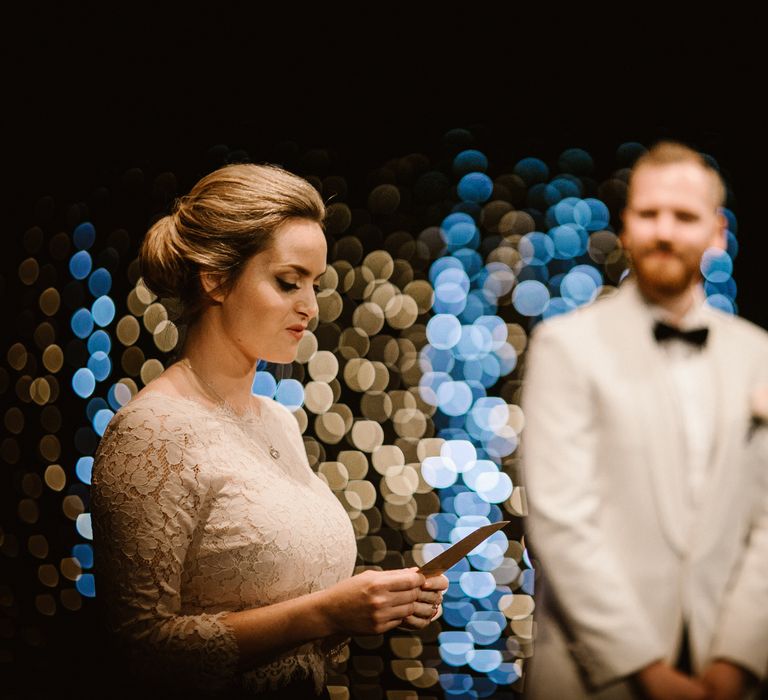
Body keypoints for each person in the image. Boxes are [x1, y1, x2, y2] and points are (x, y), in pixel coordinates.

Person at [90, 163, 448, 699]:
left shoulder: (277, 419)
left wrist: (377, 603)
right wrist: (326, 611)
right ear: (214, 278)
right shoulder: (152, 433)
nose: (309, 306)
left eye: (315, 284)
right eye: (288, 281)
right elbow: (142, 649)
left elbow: (290, 600)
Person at [520, 141, 768, 700]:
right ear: (626, 225)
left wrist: (736, 662)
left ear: (717, 232)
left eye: (684, 217)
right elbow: (561, 520)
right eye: (649, 213)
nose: (664, 231)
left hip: (732, 675)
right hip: (597, 677)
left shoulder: (759, 354)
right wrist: (649, 673)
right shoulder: (567, 346)